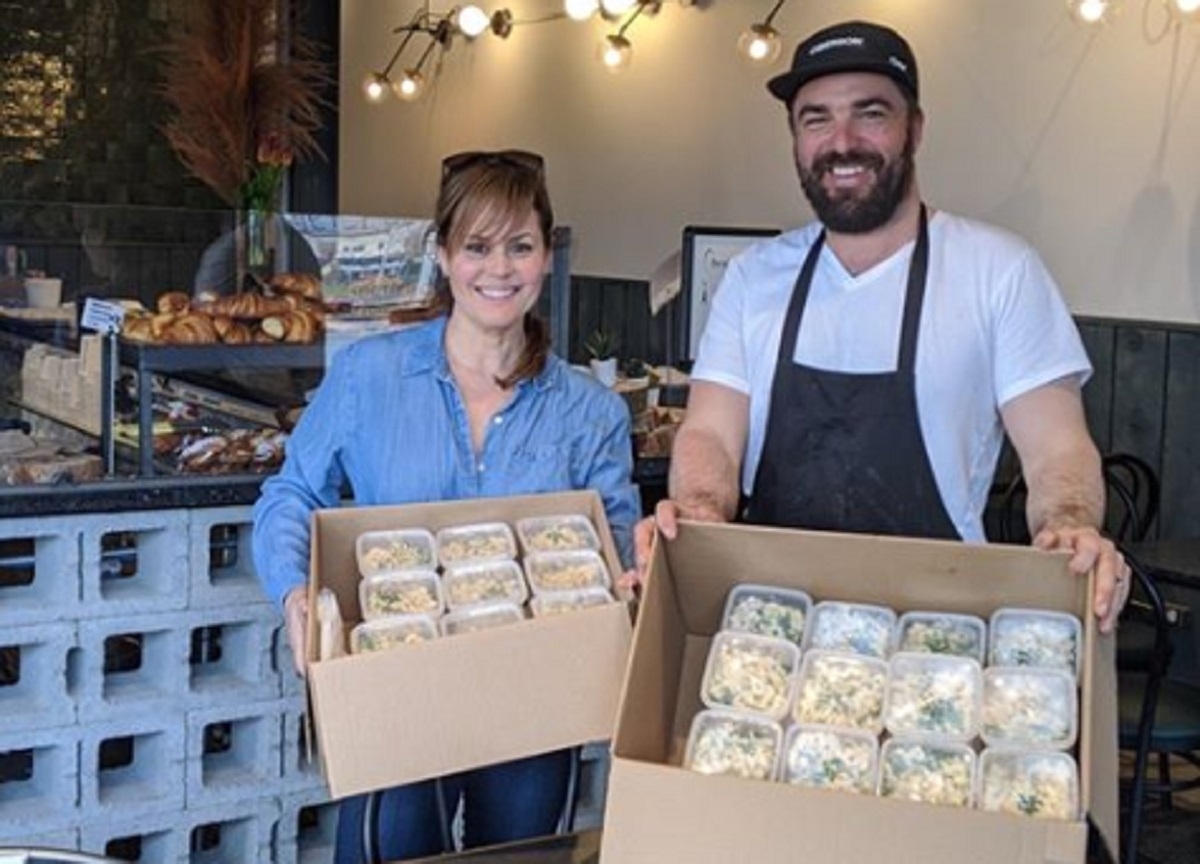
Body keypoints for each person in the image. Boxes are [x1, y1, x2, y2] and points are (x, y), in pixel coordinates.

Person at [633, 20, 1130, 634]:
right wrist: (697, 514)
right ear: (795, 139)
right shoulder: (753, 278)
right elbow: (710, 434)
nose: (841, 142)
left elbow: (1058, 449)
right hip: (770, 630)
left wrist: (1069, 525)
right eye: (815, 119)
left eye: (870, 114)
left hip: (936, 634)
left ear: (914, 128)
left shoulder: (998, 271)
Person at [252, 149, 640, 862]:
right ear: (443, 255)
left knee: (520, 857)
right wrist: (295, 594)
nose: (500, 269)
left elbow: (611, 542)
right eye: (478, 247)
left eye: (520, 246)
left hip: (536, 694)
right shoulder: (371, 375)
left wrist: (631, 581)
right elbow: (291, 492)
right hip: (395, 680)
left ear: (546, 257)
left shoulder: (589, 412)